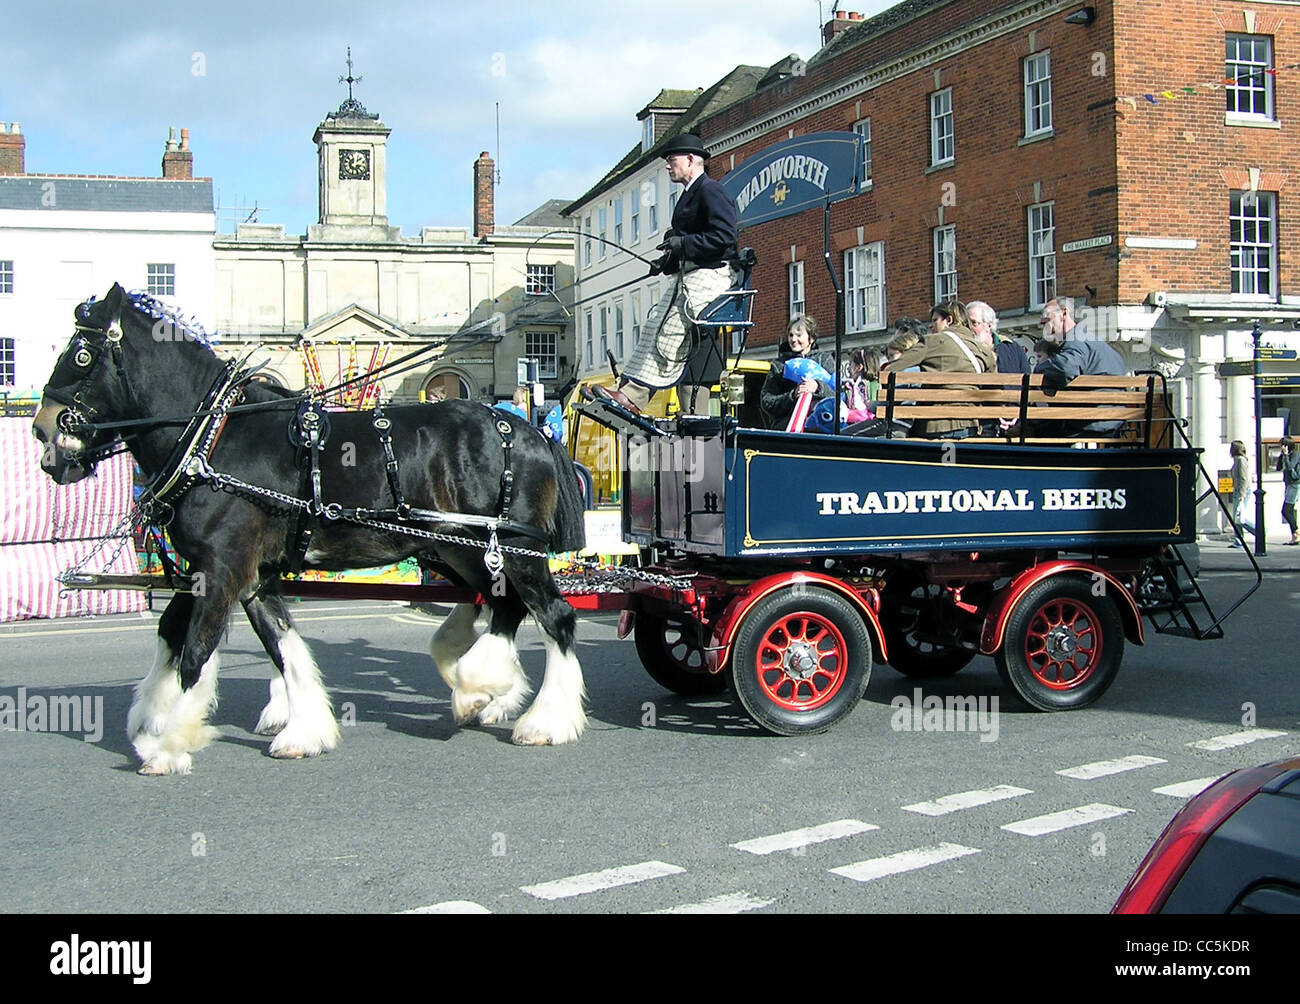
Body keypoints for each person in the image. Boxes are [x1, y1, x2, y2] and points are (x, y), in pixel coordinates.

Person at [588, 132, 739, 416]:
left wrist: (684, 244)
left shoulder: (710, 191)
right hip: (693, 273)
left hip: (715, 275)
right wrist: (668, 261)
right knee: (653, 326)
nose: (668, 166)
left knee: (670, 330)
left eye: (672, 160)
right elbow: (693, 242)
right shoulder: (689, 195)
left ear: (692, 159)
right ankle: (626, 388)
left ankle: (634, 397)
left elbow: (725, 238)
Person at [880, 306, 996, 439]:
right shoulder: (984, 351)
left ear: (949, 320)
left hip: (933, 427)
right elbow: (995, 396)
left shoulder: (931, 341)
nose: (931, 326)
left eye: (935, 320)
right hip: (970, 427)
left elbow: (891, 372)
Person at [1032, 337, 1129, 437]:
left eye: (1039, 356)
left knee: (1041, 430)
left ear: (1053, 357)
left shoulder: (1061, 371)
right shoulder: (1110, 355)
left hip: (1084, 425)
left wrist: (1038, 371)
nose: (1037, 361)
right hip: (1115, 422)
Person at [760, 315, 836, 431]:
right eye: (791, 335)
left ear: (811, 338)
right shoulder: (779, 365)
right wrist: (793, 395)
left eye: (799, 335)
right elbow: (767, 401)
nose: (793, 339)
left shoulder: (825, 360)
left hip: (821, 429)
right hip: (787, 430)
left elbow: (839, 396)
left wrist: (818, 387)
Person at [967, 300, 1030, 375]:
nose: (969, 327)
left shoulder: (1013, 348)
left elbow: (1027, 378)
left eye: (974, 323)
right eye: (966, 323)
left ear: (989, 325)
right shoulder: (963, 349)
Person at [1228, 439, 1254, 547]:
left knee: (1239, 517)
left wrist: (1242, 495)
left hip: (1241, 491)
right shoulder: (1237, 460)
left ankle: (1258, 531)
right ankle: (1239, 540)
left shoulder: (1240, 460)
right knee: (1237, 517)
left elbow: (1243, 479)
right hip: (1238, 490)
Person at [1278, 436, 1300, 545]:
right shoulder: (1285, 455)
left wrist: (1286, 455)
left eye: (1282, 445)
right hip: (1288, 484)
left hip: (1294, 485)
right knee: (1289, 511)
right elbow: (1278, 467)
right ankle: (1294, 537)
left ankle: (1296, 531)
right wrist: (1281, 456)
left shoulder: (1295, 454)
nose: (1280, 447)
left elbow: (1290, 466)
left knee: (1286, 510)